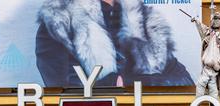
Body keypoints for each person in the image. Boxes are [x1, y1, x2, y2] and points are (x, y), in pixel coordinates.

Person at [36, 0, 194, 87]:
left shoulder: (145, 22)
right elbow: (67, 93)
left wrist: (129, 83)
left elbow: (184, 83)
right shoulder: (59, 23)